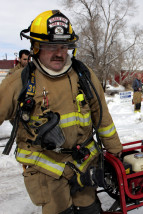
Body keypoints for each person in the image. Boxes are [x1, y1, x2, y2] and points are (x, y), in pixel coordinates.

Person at [0, 10, 123, 214]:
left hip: (82, 165)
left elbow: (103, 118)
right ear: (36, 47)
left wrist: (115, 150)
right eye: (50, 46)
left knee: (90, 211)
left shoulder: (84, 75)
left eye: (64, 46)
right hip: (45, 169)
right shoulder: (19, 82)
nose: (59, 52)